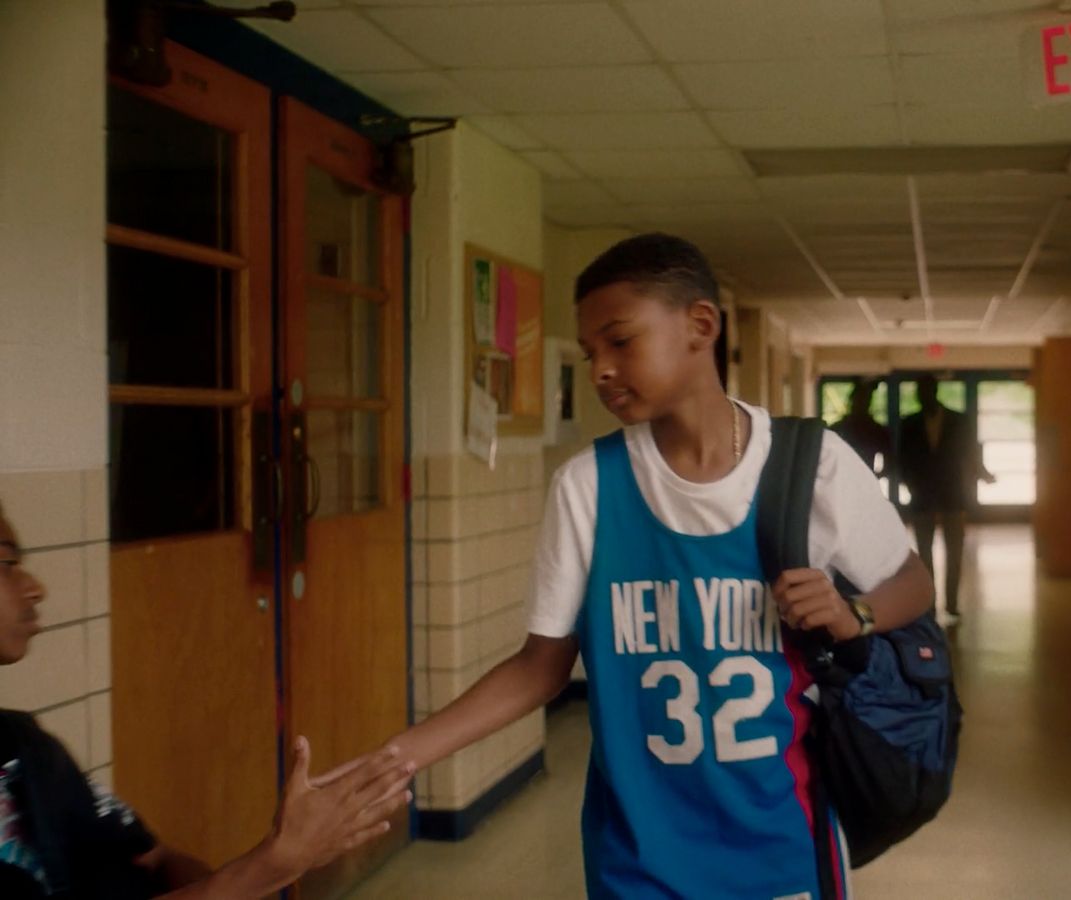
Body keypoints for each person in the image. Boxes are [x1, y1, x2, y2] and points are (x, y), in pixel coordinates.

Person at [369, 233, 932, 898]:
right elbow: (540, 666)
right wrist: (397, 759)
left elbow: (913, 583)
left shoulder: (813, 465)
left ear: (700, 326)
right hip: (639, 859)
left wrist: (852, 613)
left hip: (783, 842)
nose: (601, 369)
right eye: (589, 353)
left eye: (620, 341)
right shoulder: (588, 486)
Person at [0, 502, 414, 899]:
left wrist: (246, 872)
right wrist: (272, 865)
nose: (35, 589)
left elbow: (156, 858)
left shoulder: (29, 751)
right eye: (5, 565)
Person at [896, 375, 994, 619]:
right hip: (922, 495)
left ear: (935, 391)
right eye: (920, 391)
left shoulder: (959, 420)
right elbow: (903, 459)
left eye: (926, 390)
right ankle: (929, 603)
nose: (923, 395)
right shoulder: (909, 423)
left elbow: (971, 451)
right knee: (924, 553)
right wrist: (909, 484)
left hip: (953, 494)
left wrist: (982, 474)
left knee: (955, 551)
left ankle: (951, 603)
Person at [830, 378, 892, 477]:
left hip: (853, 479)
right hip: (844, 480)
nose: (860, 404)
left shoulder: (876, 430)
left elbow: (888, 463)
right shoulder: (838, 428)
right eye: (859, 400)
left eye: (862, 400)